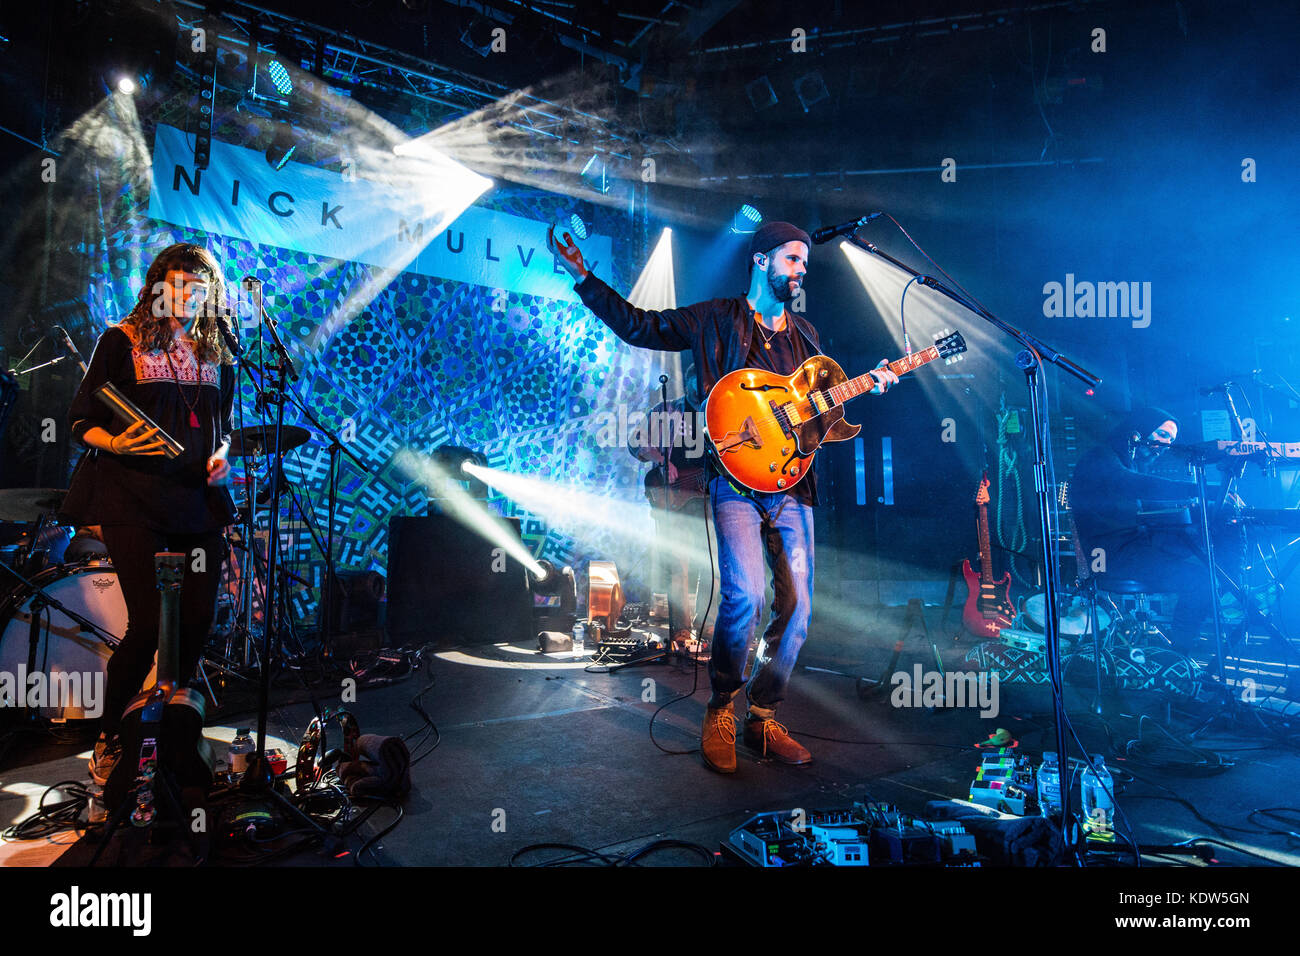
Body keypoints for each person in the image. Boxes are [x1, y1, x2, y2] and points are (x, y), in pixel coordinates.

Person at [549, 221, 898, 773]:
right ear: (761, 262)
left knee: (799, 607)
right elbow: (642, 326)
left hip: (793, 486)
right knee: (744, 598)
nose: (801, 269)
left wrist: (867, 384)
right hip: (735, 483)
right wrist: (584, 277)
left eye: (804, 261)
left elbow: (819, 419)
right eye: (791, 259)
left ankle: (762, 715)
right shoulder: (716, 318)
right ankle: (721, 708)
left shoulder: (806, 337)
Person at [63, 243, 237, 784]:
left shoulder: (217, 353)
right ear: (156, 288)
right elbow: (80, 419)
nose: (187, 297)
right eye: (177, 286)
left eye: (197, 289)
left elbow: (224, 428)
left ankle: (171, 727)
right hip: (131, 500)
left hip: (197, 502)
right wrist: (116, 444)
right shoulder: (121, 338)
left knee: (196, 619)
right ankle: (111, 735)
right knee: (145, 626)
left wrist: (222, 460)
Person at [1069, 406, 1213, 649]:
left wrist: (1203, 504)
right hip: (1106, 557)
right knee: (1200, 580)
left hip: (1132, 548)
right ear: (1138, 432)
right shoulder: (1100, 458)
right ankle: (1178, 652)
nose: (1166, 444)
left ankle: (1229, 601)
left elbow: (1151, 503)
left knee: (1204, 557)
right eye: (1163, 435)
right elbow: (1133, 484)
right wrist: (1199, 490)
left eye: (1171, 440)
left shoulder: (1128, 464)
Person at [628, 383, 714, 660]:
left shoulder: (718, 407)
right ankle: (681, 634)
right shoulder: (667, 410)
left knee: (712, 564)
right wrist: (662, 459)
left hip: (709, 496)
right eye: (698, 388)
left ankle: (709, 628)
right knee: (680, 566)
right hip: (673, 495)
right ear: (689, 383)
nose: (702, 393)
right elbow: (635, 442)